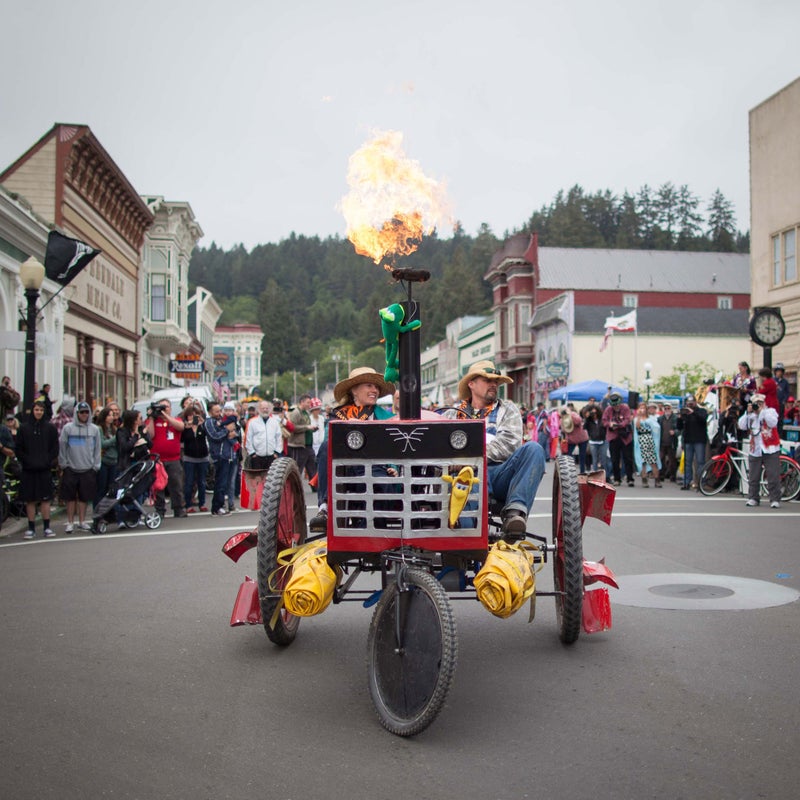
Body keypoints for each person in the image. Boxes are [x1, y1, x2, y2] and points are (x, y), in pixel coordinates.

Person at [440, 360, 546, 536]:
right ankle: (463, 539)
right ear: (471, 384)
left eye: (495, 381)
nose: (493, 384)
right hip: (462, 477)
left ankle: (515, 514)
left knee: (534, 449)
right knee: (465, 474)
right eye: (487, 380)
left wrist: (472, 457)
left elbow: (509, 443)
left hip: (499, 475)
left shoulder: (508, 410)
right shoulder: (451, 414)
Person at [308, 367, 395, 532]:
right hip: (346, 470)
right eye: (369, 385)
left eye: (376, 387)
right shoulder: (338, 415)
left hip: (377, 467)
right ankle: (325, 508)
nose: (374, 390)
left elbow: (395, 447)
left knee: (385, 483)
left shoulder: (386, 417)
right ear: (354, 390)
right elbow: (328, 445)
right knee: (327, 446)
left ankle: (376, 532)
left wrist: (394, 467)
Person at [15, 399, 59, 539]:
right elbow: (18, 449)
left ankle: (47, 527)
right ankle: (31, 528)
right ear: (32, 411)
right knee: (30, 500)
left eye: (41, 410)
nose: (39, 412)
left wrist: (48, 461)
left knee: (45, 499)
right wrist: (26, 461)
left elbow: (55, 448)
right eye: (36, 410)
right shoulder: (24, 428)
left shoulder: (50, 428)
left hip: (44, 469)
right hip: (29, 470)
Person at [58, 400, 101, 533]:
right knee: (70, 497)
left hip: (88, 468)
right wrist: (64, 464)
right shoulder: (68, 428)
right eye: (81, 412)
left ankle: (82, 521)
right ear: (77, 413)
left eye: (86, 412)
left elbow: (97, 449)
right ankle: (70, 522)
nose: (84, 414)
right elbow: (63, 447)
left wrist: (95, 466)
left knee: (84, 497)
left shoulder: (94, 430)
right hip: (71, 468)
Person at [738, 392, 781, 508]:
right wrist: (747, 413)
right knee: (753, 476)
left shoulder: (770, 412)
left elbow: (773, 423)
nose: (757, 405)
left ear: (764, 403)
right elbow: (741, 426)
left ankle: (775, 499)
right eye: (755, 404)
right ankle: (753, 498)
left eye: (760, 403)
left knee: (773, 475)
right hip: (755, 449)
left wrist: (761, 411)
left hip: (770, 448)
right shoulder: (751, 416)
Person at [145, 400, 187, 518]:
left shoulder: (175, 420)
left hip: (173, 459)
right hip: (157, 460)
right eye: (161, 407)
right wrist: (152, 417)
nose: (164, 409)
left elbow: (181, 427)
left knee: (176, 485)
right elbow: (150, 435)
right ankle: (160, 510)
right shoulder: (152, 421)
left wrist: (165, 416)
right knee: (158, 486)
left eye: (166, 407)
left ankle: (178, 508)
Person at [205, 401, 238, 516]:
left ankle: (220, 505)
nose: (219, 413)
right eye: (216, 411)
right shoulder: (209, 422)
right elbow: (215, 436)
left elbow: (235, 432)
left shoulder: (221, 420)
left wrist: (231, 431)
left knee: (224, 483)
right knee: (220, 482)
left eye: (220, 410)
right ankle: (217, 507)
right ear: (210, 412)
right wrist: (227, 430)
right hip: (219, 455)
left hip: (228, 454)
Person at [181, 401, 209, 513]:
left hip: (203, 457)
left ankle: (202, 503)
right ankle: (188, 504)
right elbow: (182, 439)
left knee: (201, 482)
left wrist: (202, 423)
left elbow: (209, 434)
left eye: (195, 415)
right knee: (189, 482)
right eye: (190, 415)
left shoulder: (202, 426)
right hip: (189, 458)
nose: (193, 418)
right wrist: (187, 425)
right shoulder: (185, 428)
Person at [602, 392, 634, 486]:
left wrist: (619, 425)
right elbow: (604, 421)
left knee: (628, 458)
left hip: (625, 437)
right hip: (613, 437)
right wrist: (610, 424)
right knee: (615, 459)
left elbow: (627, 419)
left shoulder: (625, 408)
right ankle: (617, 479)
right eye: (614, 405)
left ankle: (630, 479)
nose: (616, 407)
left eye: (617, 405)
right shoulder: (608, 409)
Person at [676, 395, 708, 490]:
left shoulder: (701, 411)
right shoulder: (685, 413)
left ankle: (701, 483)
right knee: (687, 462)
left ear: (695, 402)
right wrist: (679, 418)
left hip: (699, 440)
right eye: (688, 403)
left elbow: (703, 419)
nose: (690, 404)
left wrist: (693, 412)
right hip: (688, 440)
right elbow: (679, 427)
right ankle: (687, 482)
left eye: (692, 402)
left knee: (700, 462)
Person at [287, 394, 318, 485]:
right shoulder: (296, 413)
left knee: (312, 467)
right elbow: (292, 428)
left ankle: (315, 486)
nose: (309, 405)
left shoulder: (306, 413)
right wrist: (307, 427)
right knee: (298, 468)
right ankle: (294, 486)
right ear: (302, 402)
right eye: (308, 402)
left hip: (308, 444)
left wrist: (312, 428)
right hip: (298, 445)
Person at [244, 399, 283, 472]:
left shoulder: (274, 422)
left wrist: (277, 452)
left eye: (267, 408)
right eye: (263, 408)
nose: (265, 410)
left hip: (272, 456)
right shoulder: (253, 422)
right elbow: (248, 439)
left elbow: (278, 438)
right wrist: (252, 453)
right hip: (257, 457)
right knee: (257, 479)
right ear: (258, 409)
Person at [94, 405, 120, 509]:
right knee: (101, 488)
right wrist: (114, 439)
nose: (111, 417)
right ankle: (98, 510)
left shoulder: (114, 429)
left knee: (112, 488)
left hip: (114, 461)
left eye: (112, 415)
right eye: (109, 415)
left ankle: (110, 511)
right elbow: (103, 444)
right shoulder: (99, 429)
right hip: (104, 461)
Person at [633, 402, 662, 487]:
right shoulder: (636, 419)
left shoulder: (652, 419)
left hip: (649, 440)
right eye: (640, 408)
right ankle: (644, 479)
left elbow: (656, 428)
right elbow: (637, 427)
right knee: (642, 462)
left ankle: (657, 480)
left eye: (644, 408)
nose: (642, 410)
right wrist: (639, 417)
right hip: (641, 441)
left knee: (653, 461)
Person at [561, 406, 589, 474]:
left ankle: (582, 472)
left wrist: (570, 414)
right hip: (571, 439)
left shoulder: (573, 414)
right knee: (568, 456)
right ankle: (569, 471)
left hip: (582, 438)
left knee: (582, 456)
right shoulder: (562, 419)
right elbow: (563, 429)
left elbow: (579, 421)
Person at [582, 401, 607, 474]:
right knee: (594, 460)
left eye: (595, 413)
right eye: (592, 413)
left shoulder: (601, 420)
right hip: (593, 442)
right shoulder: (589, 421)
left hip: (602, 441)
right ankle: (595, 475)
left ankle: (605, 475)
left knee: (603, 459)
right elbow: (584, 427)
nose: (594, 415)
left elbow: (605, 427)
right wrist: (587, 417)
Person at [658, 403, 678, 481]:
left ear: (671, 409)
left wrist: (675, 432)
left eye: (668, 408)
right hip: (662, 442)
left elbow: (680, 429)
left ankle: (672, 476)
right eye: (665, 408)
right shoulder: (660, 418)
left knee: (672, 460)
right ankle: (661, 475)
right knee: (661, 459)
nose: (667, 410)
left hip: (672, 442)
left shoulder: (675, 418)